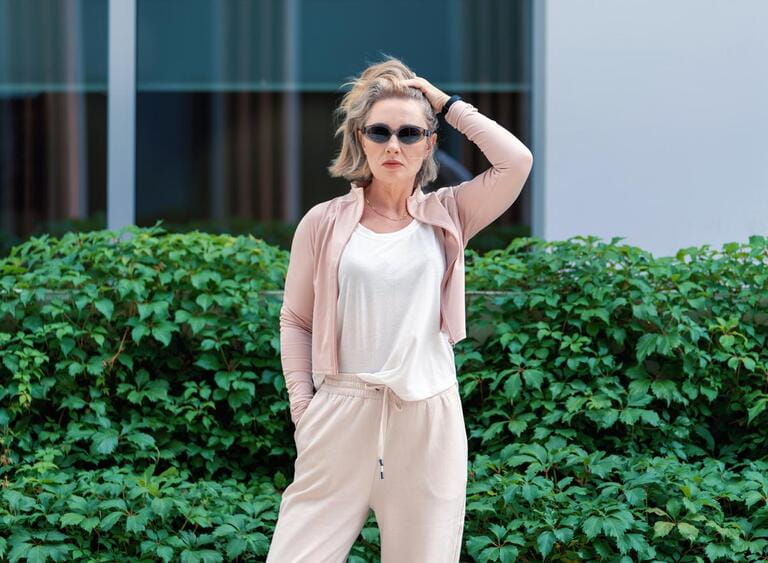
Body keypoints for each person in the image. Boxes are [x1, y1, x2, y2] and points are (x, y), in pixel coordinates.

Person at [266, 56, 533, 562]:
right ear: (360, 139)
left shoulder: (449, 212)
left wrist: (445, 104)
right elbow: (296, 320)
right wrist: (304, 409)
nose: (394, 145)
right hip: (341, 409)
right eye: (380, 131)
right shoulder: (322, 223)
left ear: (429, 143)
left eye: (410, 133)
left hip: (427, 415)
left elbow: (515, 161)